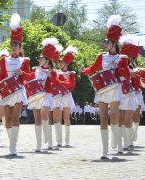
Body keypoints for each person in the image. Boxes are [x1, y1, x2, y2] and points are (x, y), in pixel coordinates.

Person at [81, 14, 129, 159]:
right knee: (103, 118)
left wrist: (117, 67)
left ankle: (116, 138)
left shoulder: (122, 58)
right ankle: (105, 149)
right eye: (104, 42)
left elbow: (126, 75)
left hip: (115, 88)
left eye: (107, 42)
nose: (105, 44)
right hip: (102, 89)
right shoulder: (101, 56)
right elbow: (93, 68)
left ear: (114, 43)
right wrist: (84, 71)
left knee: (113, 116)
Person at [0, 14, 31, 155]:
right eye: (12, 44)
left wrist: (22, 72)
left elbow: (30, 77)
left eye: (16, 44)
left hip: (18, 91)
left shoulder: (25, 60)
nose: (13, 47)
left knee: (15, 117)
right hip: (7, 91)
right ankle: (12, 142)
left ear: (20, 46)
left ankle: (13, 146)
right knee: (7, 120)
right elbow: (1, 76)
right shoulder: (4, 60)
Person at [27, 38, 59, 152]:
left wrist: (50, 74)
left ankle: (47, 135)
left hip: (47, 95)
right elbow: (28, 78)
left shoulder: (53, 72)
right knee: (37, 120)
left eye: (41, 58)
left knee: (44, 114)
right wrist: (22, 74)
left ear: (47, 60)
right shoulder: (35, 70)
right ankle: (39, 145)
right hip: (36, 96)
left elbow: (57, 84)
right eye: (39, 58)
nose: (39, 60)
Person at [119, 35, 139, 151]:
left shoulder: (130, 67)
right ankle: (124, 142)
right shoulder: (117, 63)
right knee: (120, 120)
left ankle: (130, 138)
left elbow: (130, 76)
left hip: (130, 93)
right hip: (119, 93)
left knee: (127, 120)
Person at [56, 46, 78, 146]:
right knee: (58, 118)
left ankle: (67, 140)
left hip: (67, 96)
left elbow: (72, 86)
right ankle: (59, 141)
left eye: (62, 62)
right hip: (58, 96)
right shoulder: (56, 72)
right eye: (60, 62)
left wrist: (61, 82)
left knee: (66, 118)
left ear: (67, 63)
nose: (60, 63)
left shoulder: (71, 74)